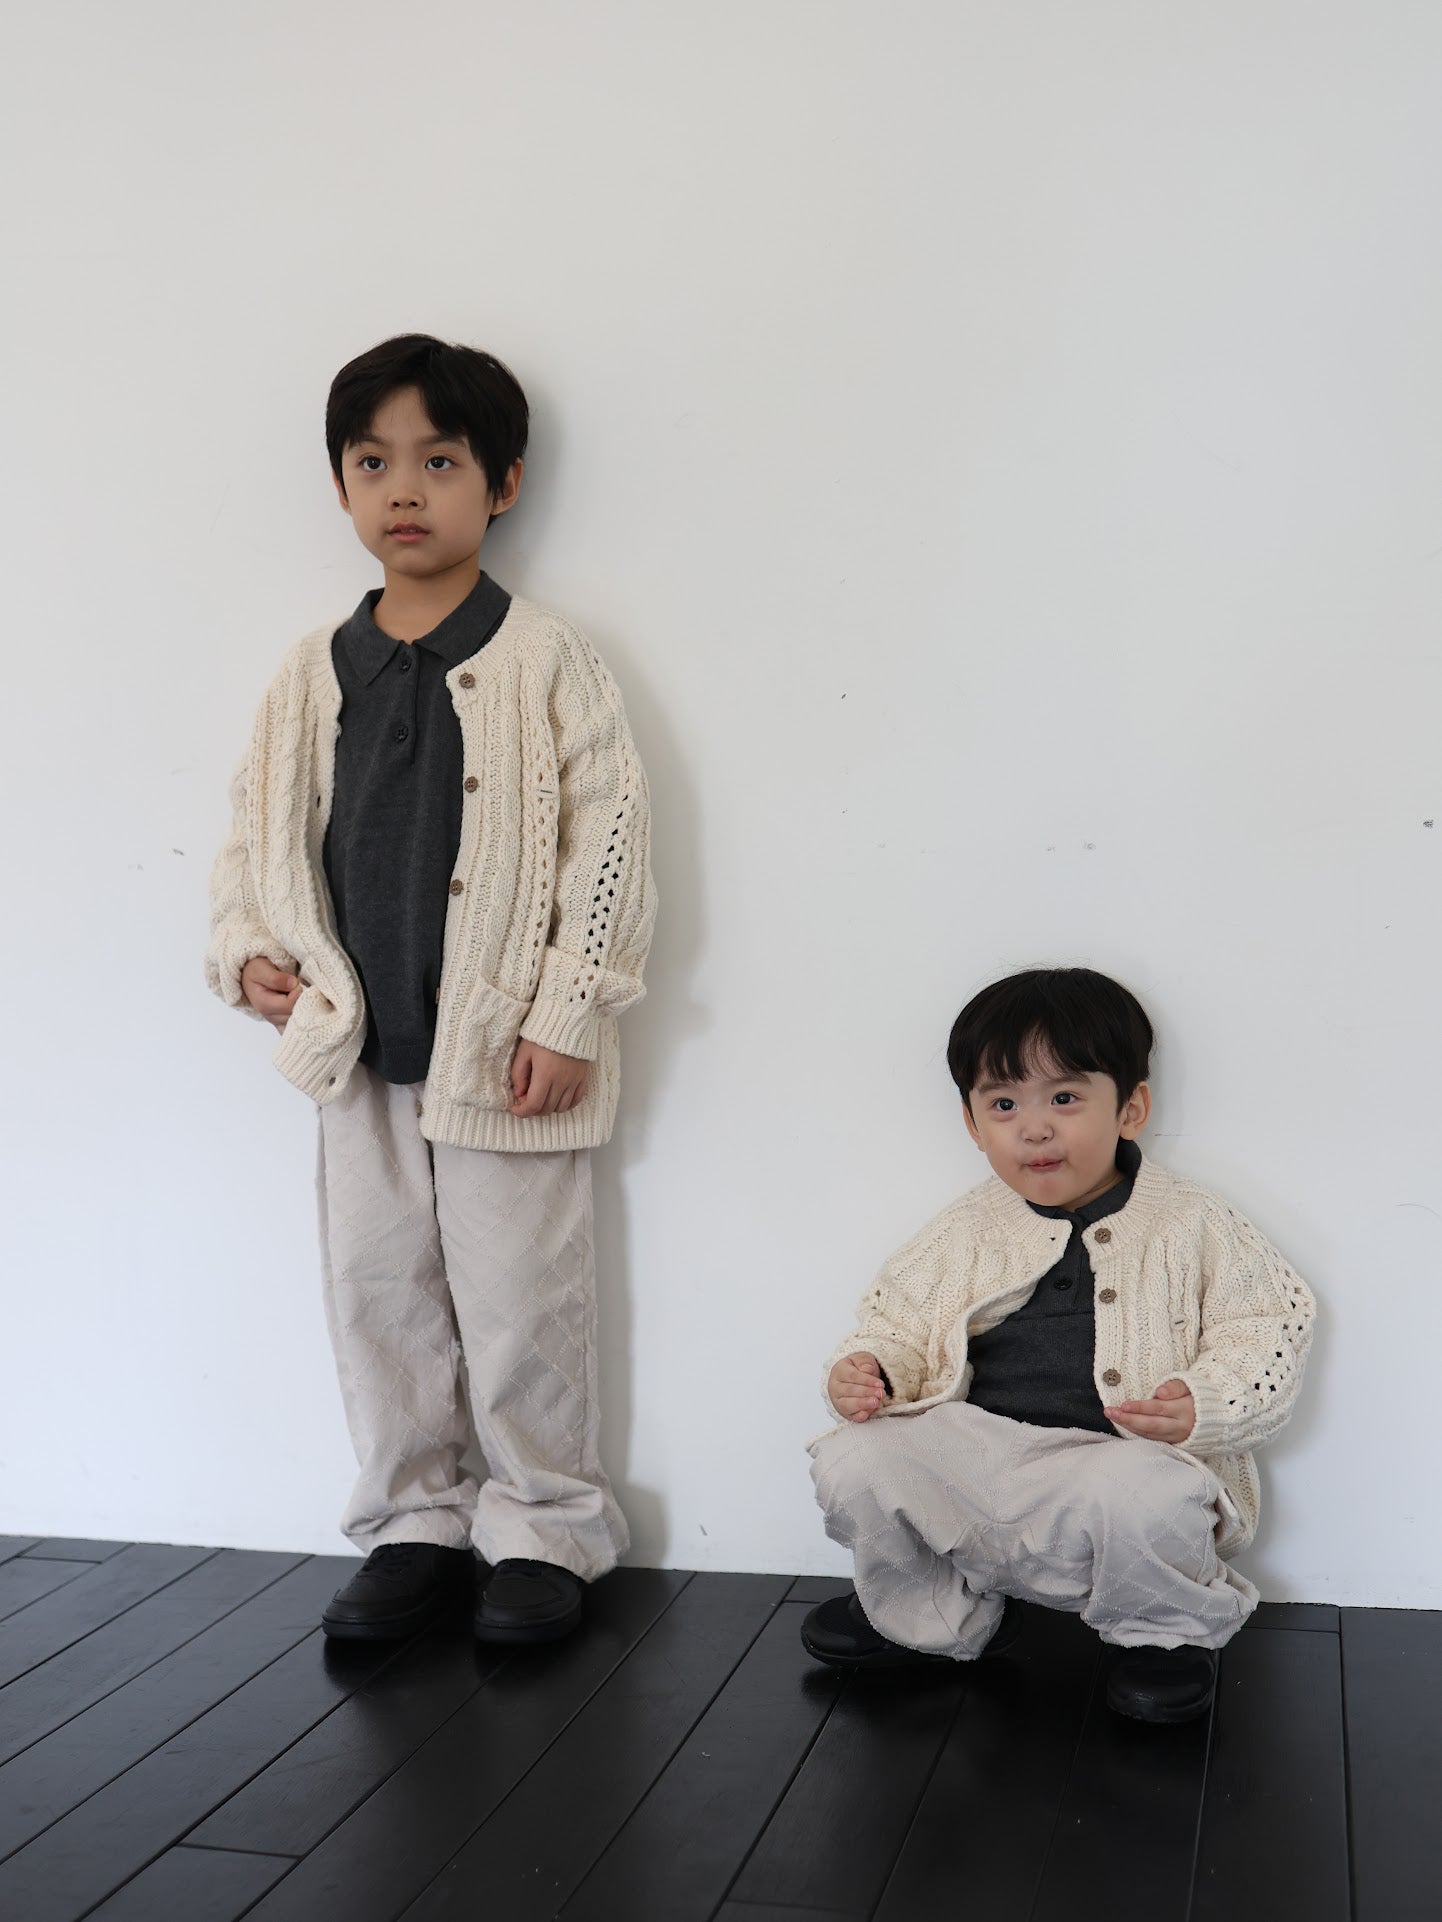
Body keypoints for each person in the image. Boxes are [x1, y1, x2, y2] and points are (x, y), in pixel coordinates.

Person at [206, 334, 655, 1645]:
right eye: (373, 462)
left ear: (501, 484)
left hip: (503, 1048)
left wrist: (568, 1010)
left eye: (440, 461)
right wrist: (246, 950)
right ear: (343, 485)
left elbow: (609, 841)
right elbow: (253, 835)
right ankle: (415, 1520)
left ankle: (546, 1525)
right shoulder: (310, 671)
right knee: (379, 1292)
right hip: (354, 1046)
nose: (404, 489)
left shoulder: (547, 658)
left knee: (523, 1301)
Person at [802, 967, 1314, 1722]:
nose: (1034, 1128)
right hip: (983, 1461)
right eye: (1004, 1104)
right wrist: (871, 1369)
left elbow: (1266, 1326)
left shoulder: (1194, 1223)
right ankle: (930, 1613)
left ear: (1130, 1108)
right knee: (854, 1456)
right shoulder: (964, 1230)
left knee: (1150, 1494)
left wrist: (1204, 1401)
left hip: (1111, 1467)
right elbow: (899, 1324)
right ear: (973, 1125)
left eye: (1065, 1099)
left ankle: (1163, 1634)